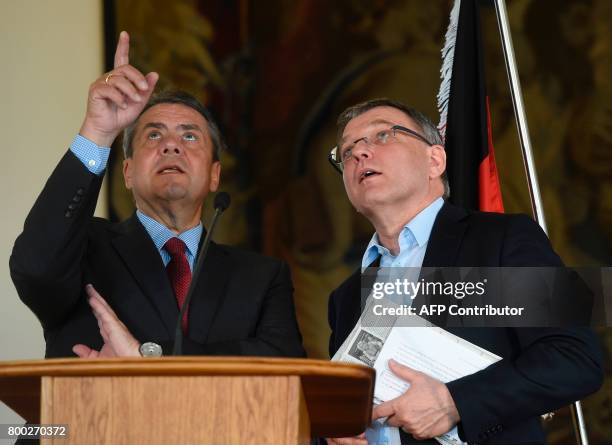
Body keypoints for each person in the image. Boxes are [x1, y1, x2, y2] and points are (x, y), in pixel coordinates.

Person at [9, 31, 305, 360]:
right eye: (153, 135)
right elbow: (35, 269)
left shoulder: (261, 276)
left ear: (214, 176)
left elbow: (284, 364)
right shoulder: (83, 249)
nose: (171, 145)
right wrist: (99, 131)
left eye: (190, 136)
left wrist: (147, 354)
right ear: (128, 173)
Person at [326, 99, 603, 444]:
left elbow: (574, 358)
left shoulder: (500, 240)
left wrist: (455, 402)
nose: (359, 154)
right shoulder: (345, 297)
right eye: (346, 151)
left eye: (383, 135)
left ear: (434, 160)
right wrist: (333, 433)